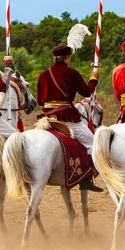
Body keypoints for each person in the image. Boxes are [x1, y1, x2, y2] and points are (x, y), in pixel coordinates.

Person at [36, 45, 103, 192]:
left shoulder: (43, 75)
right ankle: (86, 180)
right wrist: (93, 78)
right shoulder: (71, 73)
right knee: (93, 143)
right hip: (65, 117)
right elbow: (86, 92)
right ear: (67, 58)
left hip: (47, 118)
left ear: (54, 58)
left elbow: (40, 101)